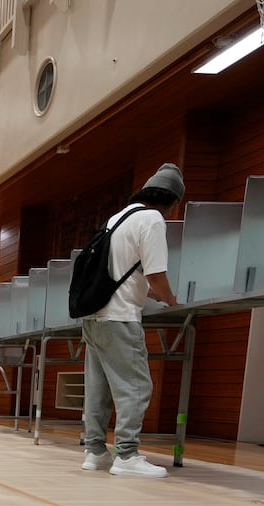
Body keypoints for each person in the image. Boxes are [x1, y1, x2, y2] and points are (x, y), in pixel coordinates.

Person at [79, 163, 183, 479]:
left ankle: (95, 451)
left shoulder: (117, 219)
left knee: (98, 388)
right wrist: (170, 298)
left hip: (95, 315)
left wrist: (148, 293)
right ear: (172, 201)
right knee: (136, 386)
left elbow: (122, 272)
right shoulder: (152, 220)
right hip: (121, 318)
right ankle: (126, 455)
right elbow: (155, 274)